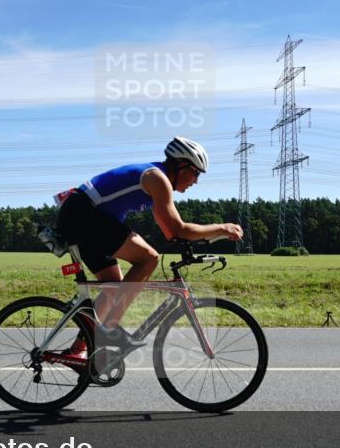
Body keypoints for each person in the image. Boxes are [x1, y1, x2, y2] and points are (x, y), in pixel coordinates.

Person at [57, 136, 242, 357]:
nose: (196, 180)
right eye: (195, 173)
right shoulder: (157, 178)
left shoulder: (156, 179)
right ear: (181, 166)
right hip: (85, 215)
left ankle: (78, 349)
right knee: (149, 259)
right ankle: (108, 330)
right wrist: (222, 228)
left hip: (80, 215)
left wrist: (201, 238)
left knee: (113, 287)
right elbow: (178, 229)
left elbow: (169, 232)